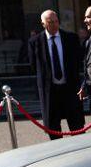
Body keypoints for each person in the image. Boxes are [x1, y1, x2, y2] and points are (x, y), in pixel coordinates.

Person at [27, 10, 85, 138]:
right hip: (50, 93)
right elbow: (33, 66)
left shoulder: (71, 38)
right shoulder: (35, 42)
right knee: (53, 130)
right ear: (43, 24)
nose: (54, 25)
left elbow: (78, 62)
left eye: (56, 21)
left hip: (70, 90)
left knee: (77, 128)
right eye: (50, 22)